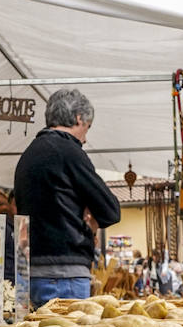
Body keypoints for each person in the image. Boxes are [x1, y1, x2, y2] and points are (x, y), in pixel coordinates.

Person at [12, 88, 120, 305]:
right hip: (63, 275)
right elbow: (110, 210)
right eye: (86, 129)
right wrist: (90, 220)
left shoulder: (29, 154)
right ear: (78, 118)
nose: (85, 139)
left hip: (32, 270)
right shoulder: (69, 151)